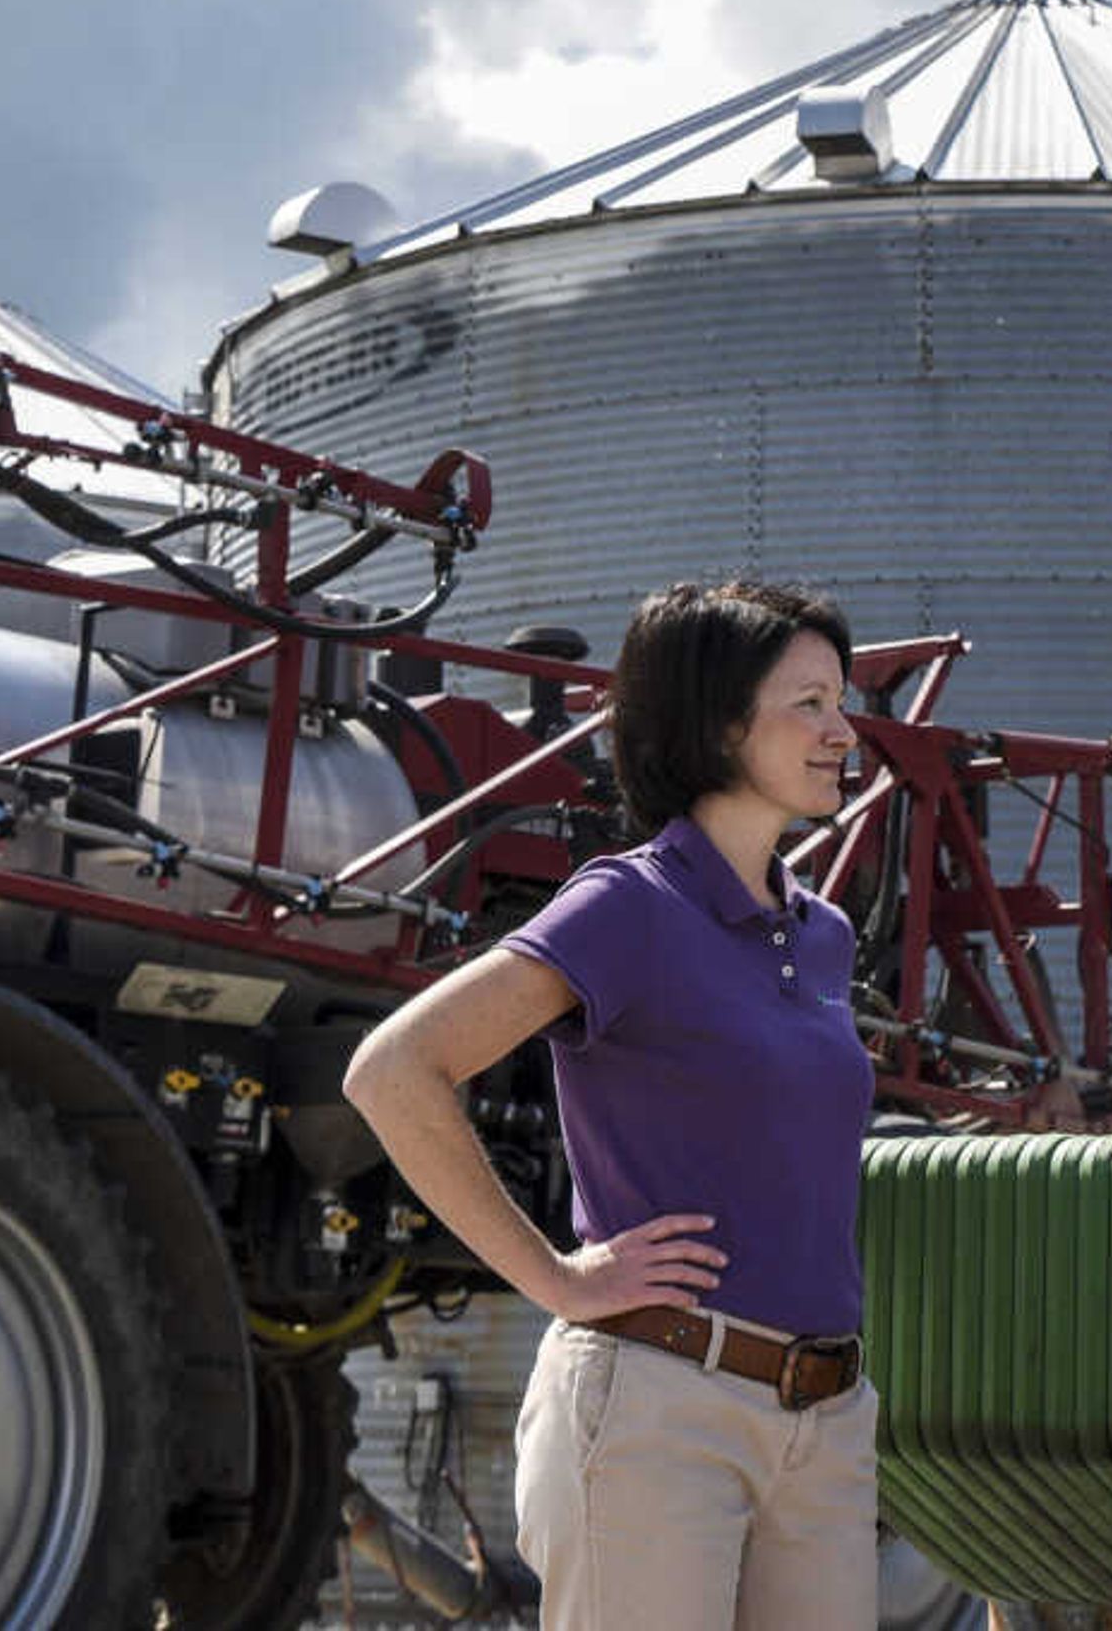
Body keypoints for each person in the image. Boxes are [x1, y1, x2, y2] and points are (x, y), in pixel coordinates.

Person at [344, 578, 880, 1631]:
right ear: (719, 722)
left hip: (827, 1419)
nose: (843, 729)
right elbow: (393, 1069)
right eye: (809, 702)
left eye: (841, 699)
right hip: (660, 1411)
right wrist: (553, 1276)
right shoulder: (628, 905)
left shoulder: (821, 933)